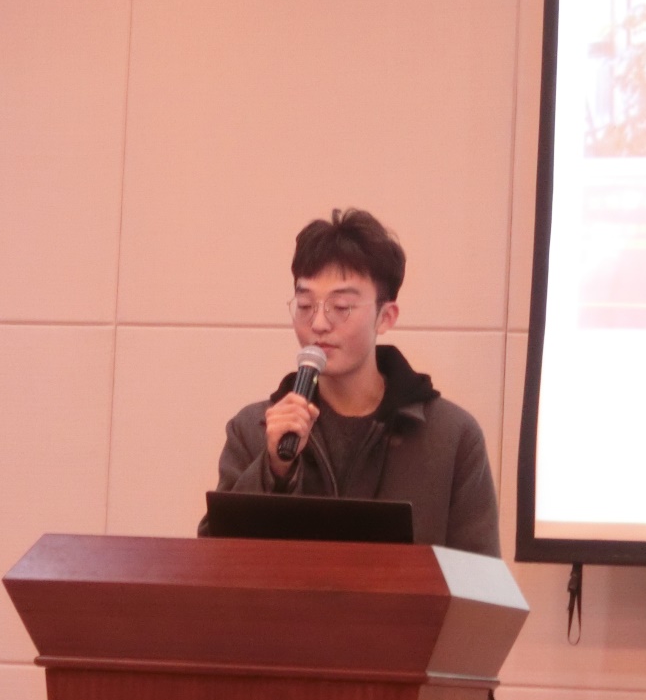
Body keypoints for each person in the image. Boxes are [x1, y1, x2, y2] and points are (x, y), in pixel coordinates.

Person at [210, 208, 501, 556]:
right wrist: (275, 469)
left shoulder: (451, 437)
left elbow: (480, 580)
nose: (319, 324)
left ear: (385, 317)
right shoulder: (254, 429)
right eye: (305, 305)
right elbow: (215, 559)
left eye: (341, 307)